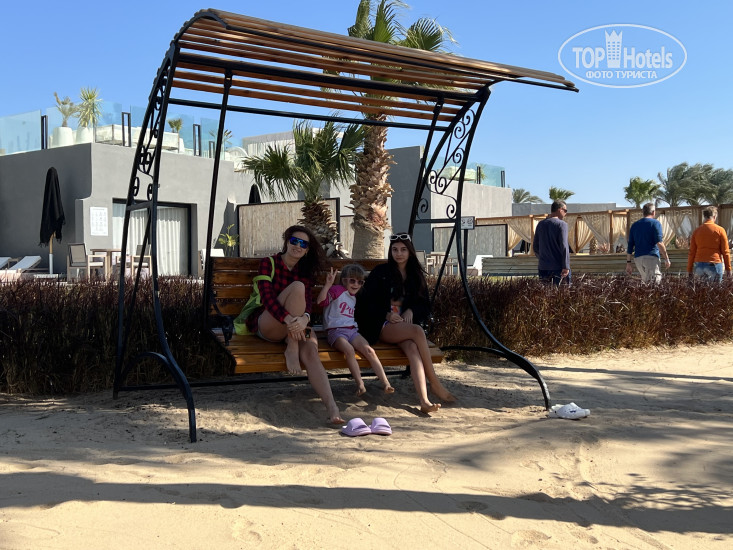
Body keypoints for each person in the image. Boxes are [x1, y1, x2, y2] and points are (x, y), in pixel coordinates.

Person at [244, 225, 344, 425]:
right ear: (287, 242)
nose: (298, 246)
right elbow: (267, 298)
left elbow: (307, 304)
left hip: (296, 327)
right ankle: (292, 346)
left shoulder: (303, 271)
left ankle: (332, 407)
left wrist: (305, 318)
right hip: (270, 323)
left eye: (303, 244)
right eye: (294, 241)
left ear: (307, 250)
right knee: (297, 287)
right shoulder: (269, 263)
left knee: (311, 351)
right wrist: (289, 320)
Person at [355, 232, 455, 413]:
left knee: (412, 348)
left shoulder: (415, 275)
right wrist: (386, 315)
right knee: (417, 331)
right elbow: (365, 302)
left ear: (410, 252)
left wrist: (411, 310)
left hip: (403, 327)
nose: (399, 254)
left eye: (403, 250)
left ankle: (424, 401)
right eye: (395, 250)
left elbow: (425, 305)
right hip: (381, 325)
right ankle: (435, 382)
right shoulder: (380, 272)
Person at [317, 264, 395, 396]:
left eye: (360, 282)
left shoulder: (354, 296)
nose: (356, 284)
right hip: (336, 331)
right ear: (344, 280)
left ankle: (386, 383)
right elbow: (321, 302)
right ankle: (360, 384)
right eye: (352, 280)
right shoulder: (337, 290)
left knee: (369, 350)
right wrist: (328, 285)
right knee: (349, 350)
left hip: (352, 330)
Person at [626, 202, 670, 283]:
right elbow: (659, 243)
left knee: (645, 283)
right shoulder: (655, 223)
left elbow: (630, 245)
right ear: (653, 212)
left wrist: (628, 263)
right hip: (651, 257)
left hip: (638, 259)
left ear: (643, 212)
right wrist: (666, 259)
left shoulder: (635, 225)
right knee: (655, 283)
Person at [687, 206, 732, 282]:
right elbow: (725, 252)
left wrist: (689, 269)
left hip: (699, 263)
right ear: (714, 216)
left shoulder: (697, 231)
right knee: (715, 288)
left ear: (704, 217)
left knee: (700, 288)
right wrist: (728, 269)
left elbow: (692, 252)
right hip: (714, 263)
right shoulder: (720, 230)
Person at [533, 200, 571, 284]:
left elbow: (535, 246)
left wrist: (543, 258)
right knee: (562, 291)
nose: (566, 213)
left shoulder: (541, 224)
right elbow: (564, 246)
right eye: (565, 210)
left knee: (545, 291)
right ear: (560, 210)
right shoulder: (562, 224)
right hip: (558, 267)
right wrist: (566, 266)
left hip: (543, 266)